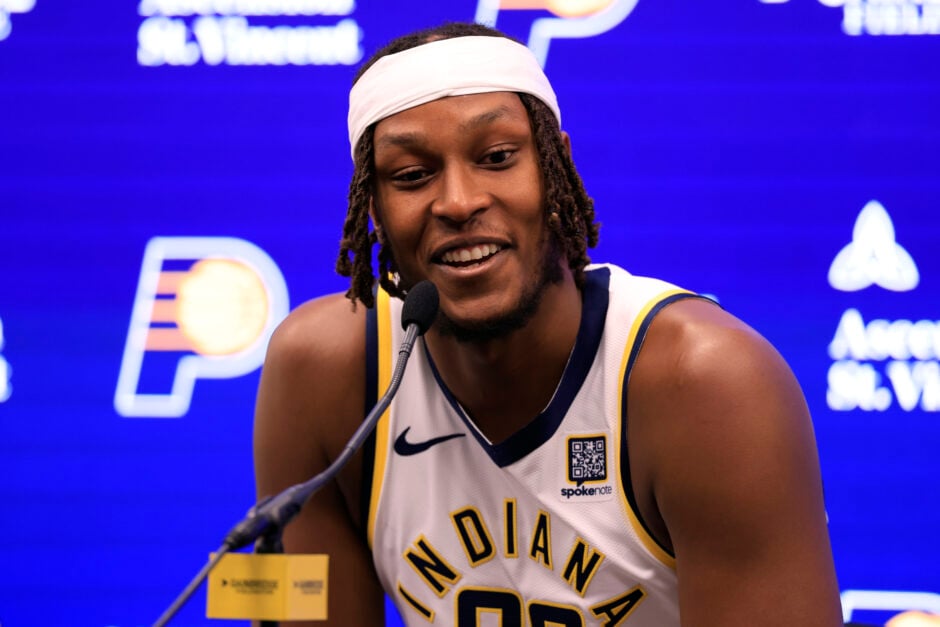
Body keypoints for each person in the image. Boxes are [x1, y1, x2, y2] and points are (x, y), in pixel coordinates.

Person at [253, 21, 843, 626]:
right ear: (373, 208)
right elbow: (282, 606)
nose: (458, 202)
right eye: (411, 176)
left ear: (557, 166)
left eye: (497, 158)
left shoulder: (707, 384)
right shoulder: (319, 372)